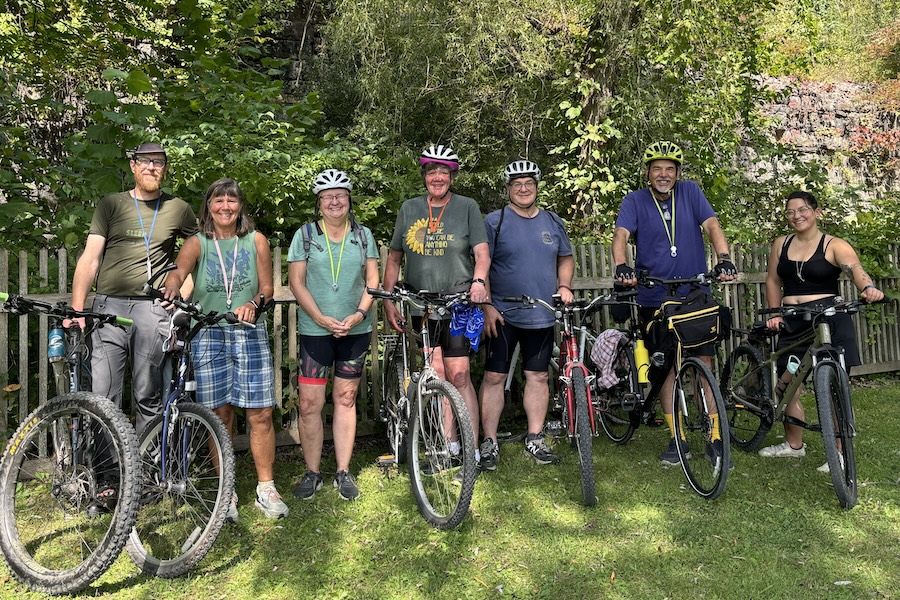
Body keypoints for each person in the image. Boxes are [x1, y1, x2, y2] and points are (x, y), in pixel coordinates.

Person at [162, 177, 288, 520]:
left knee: (260, 412)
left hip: (248, 331)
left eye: (231, 200)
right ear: (209, 206)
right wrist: (171, 287)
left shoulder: (255, 240)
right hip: (209, 333)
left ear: (240, 206)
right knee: (220, 415)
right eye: (219, 200)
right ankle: (226, 489)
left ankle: (266, 487)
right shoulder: (197, 242)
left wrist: (254, 303)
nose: (225, 206)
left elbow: (267, 288)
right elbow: (177, 273)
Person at [612, 141, 736, 466]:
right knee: (665, 368)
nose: (663, 174)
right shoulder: (635, 200)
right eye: (657, 169)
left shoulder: (691, 192)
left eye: (670, 169)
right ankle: (676, 437)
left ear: (678, 173)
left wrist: (723, 258)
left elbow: (712, 225)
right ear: (648, 173)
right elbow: (621, 235)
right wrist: (622, 266)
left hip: (694, 294)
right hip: (654, 296)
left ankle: (715, 437)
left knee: (704, 363)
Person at [71, 142, 197, 433]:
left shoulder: (178, 208)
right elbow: (90, 258)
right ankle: (108, 461)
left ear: (165, 169)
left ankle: (148, 460)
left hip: (152, 310)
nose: (151, 167)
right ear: (133, 166)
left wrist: (181, 295)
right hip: (109, 309)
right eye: (144, 161)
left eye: (158, 162)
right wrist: (77, 309)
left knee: (148, 393)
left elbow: (197, 256)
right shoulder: (110, 205)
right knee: (103, 395)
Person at [758, 190, 883, 472]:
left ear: (816, 212)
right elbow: (773, 280)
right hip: (793, 320)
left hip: (829, 319)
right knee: (786, 385)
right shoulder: (781, 244)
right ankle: (794, 445)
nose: (796, 216)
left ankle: (839, 453)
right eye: (790, 212)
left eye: (802, 210)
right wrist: (775, 313)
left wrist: (868, 288)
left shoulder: (834, 245)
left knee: (834, 387)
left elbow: (854, 268)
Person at [382, 144, 490, 466]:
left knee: (460, 375)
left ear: (452, 176)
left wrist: (479, 282)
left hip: (457, 304)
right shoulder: (409, 208)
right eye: (432, 172)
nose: (438, 177)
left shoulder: (467, 207)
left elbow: (482, 254)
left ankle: (471, 448)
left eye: (444, 172)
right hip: (421, 305)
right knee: (438, 373)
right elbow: (394, 257)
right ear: (425, 176)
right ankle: (449, 444)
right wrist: (389, 301)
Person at [287, 169, 379, 501]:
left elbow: (373, 280)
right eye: (327, 197)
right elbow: (296, 282)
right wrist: (321, 318)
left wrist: (359, 314)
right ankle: (312, 472)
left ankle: (343, 470)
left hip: (355, 330)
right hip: (316, 331)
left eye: (340, 195)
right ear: (319, 203)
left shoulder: (363, 235)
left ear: (349, 200)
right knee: (310, 403)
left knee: (345, 398)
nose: (334, 201)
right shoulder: (305, 235)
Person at [478, 160, 574, 470]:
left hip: (542, 313)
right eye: (517, 184)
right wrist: (487, 306)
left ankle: (535, 437)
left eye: (529, 183)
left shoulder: (552, 221)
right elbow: (481, 265)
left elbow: (566, 257)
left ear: (536, 186)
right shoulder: (495, 221)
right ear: (508, 189)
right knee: (494, 376)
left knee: (539, 375)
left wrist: (564, 285)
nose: (523, 188)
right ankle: (489, 441)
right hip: (503, 314)